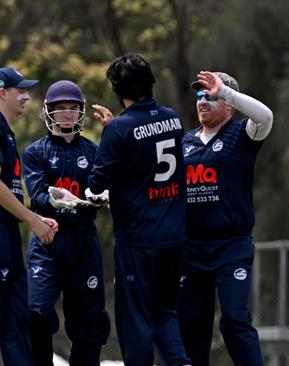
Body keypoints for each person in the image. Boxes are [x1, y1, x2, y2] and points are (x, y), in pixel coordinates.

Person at [88, 54, 190, 366]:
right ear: (150, 84)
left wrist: (112, 133)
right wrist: (115, 129)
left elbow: (96, 184)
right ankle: (180, 362)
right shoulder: (172, 118)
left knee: (135, 321)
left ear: (119, 92)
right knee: (165, 313)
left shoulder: (119, 129)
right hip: (173, 236)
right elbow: (146, 151)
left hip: (138, 241)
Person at [177, 71, 272, 366]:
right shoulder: (185, 142)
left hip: (231, 247)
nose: (203, 101)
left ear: (229, 104)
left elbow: (266, 117)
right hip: (190, 249)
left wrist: (226, 91)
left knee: (234, 320)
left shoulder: (241, 134)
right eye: (200, 96)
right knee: (191, 327)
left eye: (212, 95)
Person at [22, 80, 110, 366]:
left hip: (83, 240)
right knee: (37, 313)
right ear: (47, 111)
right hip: (48, 240)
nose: (68, 115)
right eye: (61, 109)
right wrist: (57, 199)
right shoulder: (36, 152)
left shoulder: (94, 152)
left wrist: (103, 195)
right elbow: (37, 194)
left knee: (90, 322)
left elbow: (104, 186)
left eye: (74, 109)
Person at [0, 67, 58, 365]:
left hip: (8, 236)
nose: (25, 96)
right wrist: (32, 219)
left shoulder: (7, 133)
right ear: (2, 93)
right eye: (19, 90)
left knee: (15, 325)